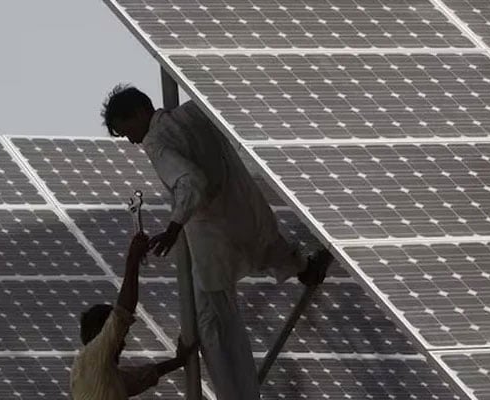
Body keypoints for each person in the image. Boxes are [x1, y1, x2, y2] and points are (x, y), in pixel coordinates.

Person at [100, 85, 334, 399]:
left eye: (124, 129)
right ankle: (304, 267)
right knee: (267, 248)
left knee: (213, 326)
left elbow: (191, 181)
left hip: (212, 239)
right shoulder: (194, 114)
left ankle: (236, 395)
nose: (129, 139)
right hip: (247, 214)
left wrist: (173, 227)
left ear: (139, 113)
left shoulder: (156, 142)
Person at [70, 232, 195, 399]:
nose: (123, 344)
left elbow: (142, 377)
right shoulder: (91, 359)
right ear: (101, 333)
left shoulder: (101, 374)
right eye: (120, 337)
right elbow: (123, 311)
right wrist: (133, 258)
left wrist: (178, 361)